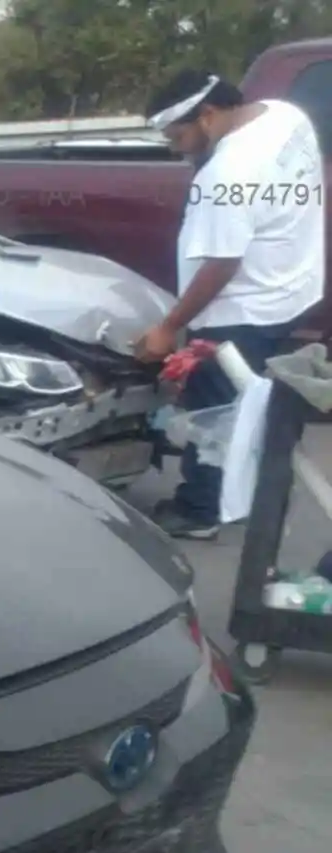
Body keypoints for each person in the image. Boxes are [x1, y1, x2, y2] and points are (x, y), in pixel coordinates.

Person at [133, 70, 325, 539]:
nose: (176, 148)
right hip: (290, 290)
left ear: (208, 114)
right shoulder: (284, 116)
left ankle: (200, 510)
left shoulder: (229, 171)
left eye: (179, 136)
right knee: (261, 403)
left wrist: (168, 327)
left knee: (215, 414)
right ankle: (261, 486)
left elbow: (222, 264)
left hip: (239, 312)